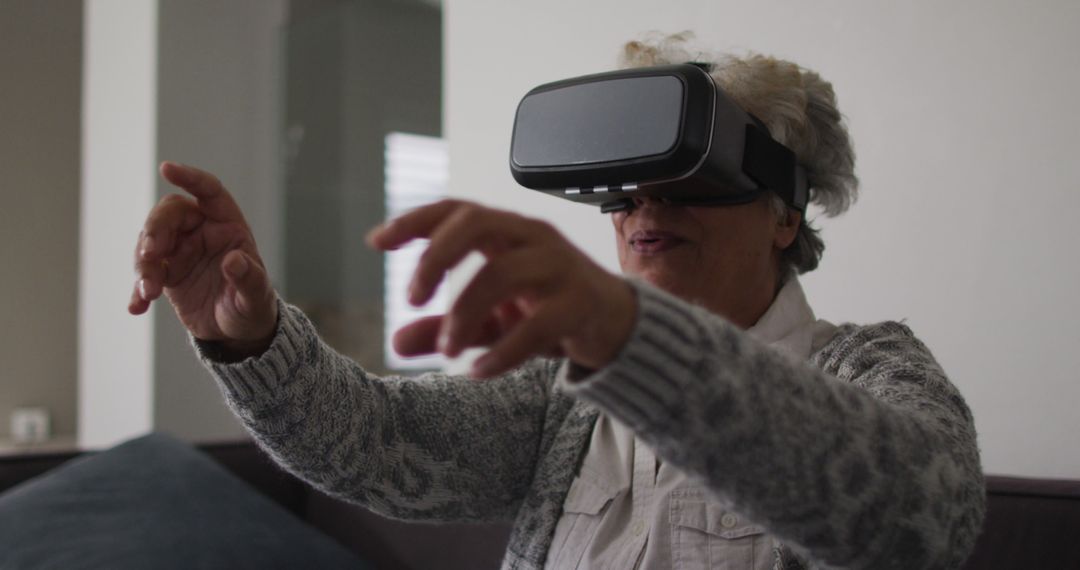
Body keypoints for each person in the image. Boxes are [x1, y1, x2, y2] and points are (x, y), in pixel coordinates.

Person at [128, 35, 984, 570]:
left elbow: (919, 524)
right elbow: (382, 445)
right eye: (620, 186)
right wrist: (251, 338)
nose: (644, 207)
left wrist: (634, 339)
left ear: (784, 211)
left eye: (686, 177)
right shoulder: (566, 397)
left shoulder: (869, 365)